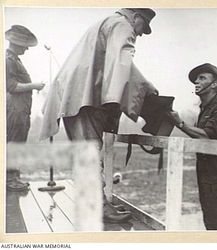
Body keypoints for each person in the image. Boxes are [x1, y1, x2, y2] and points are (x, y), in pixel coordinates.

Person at [40, 8, 158, 223]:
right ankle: (97, 207)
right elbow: (122, 61)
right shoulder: (123, 25)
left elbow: (111, 63)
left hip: (75, 94)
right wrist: (147, 89)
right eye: (143, 28)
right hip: (86, 98)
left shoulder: (106, 22)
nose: (140, 34)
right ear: (136, 17)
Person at [167, 63, 217, 230]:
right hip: (206, 171)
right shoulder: (204, 109)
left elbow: (206, 135)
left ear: (214, 84)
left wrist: (180, 123)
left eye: (202, 78)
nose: (196, 82)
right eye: (196, 79)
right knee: (211, 220)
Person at [5, 25, 45, 191]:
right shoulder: (8, 60)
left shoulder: (14, 59)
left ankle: (14, 177)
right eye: (25, 44)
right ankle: (10, 180)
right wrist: (34, 85)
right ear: (16, 43)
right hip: (16, 109)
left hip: (21, 109)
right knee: (15, 143)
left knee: (18, 142)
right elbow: (11, 87)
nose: (27, 48)